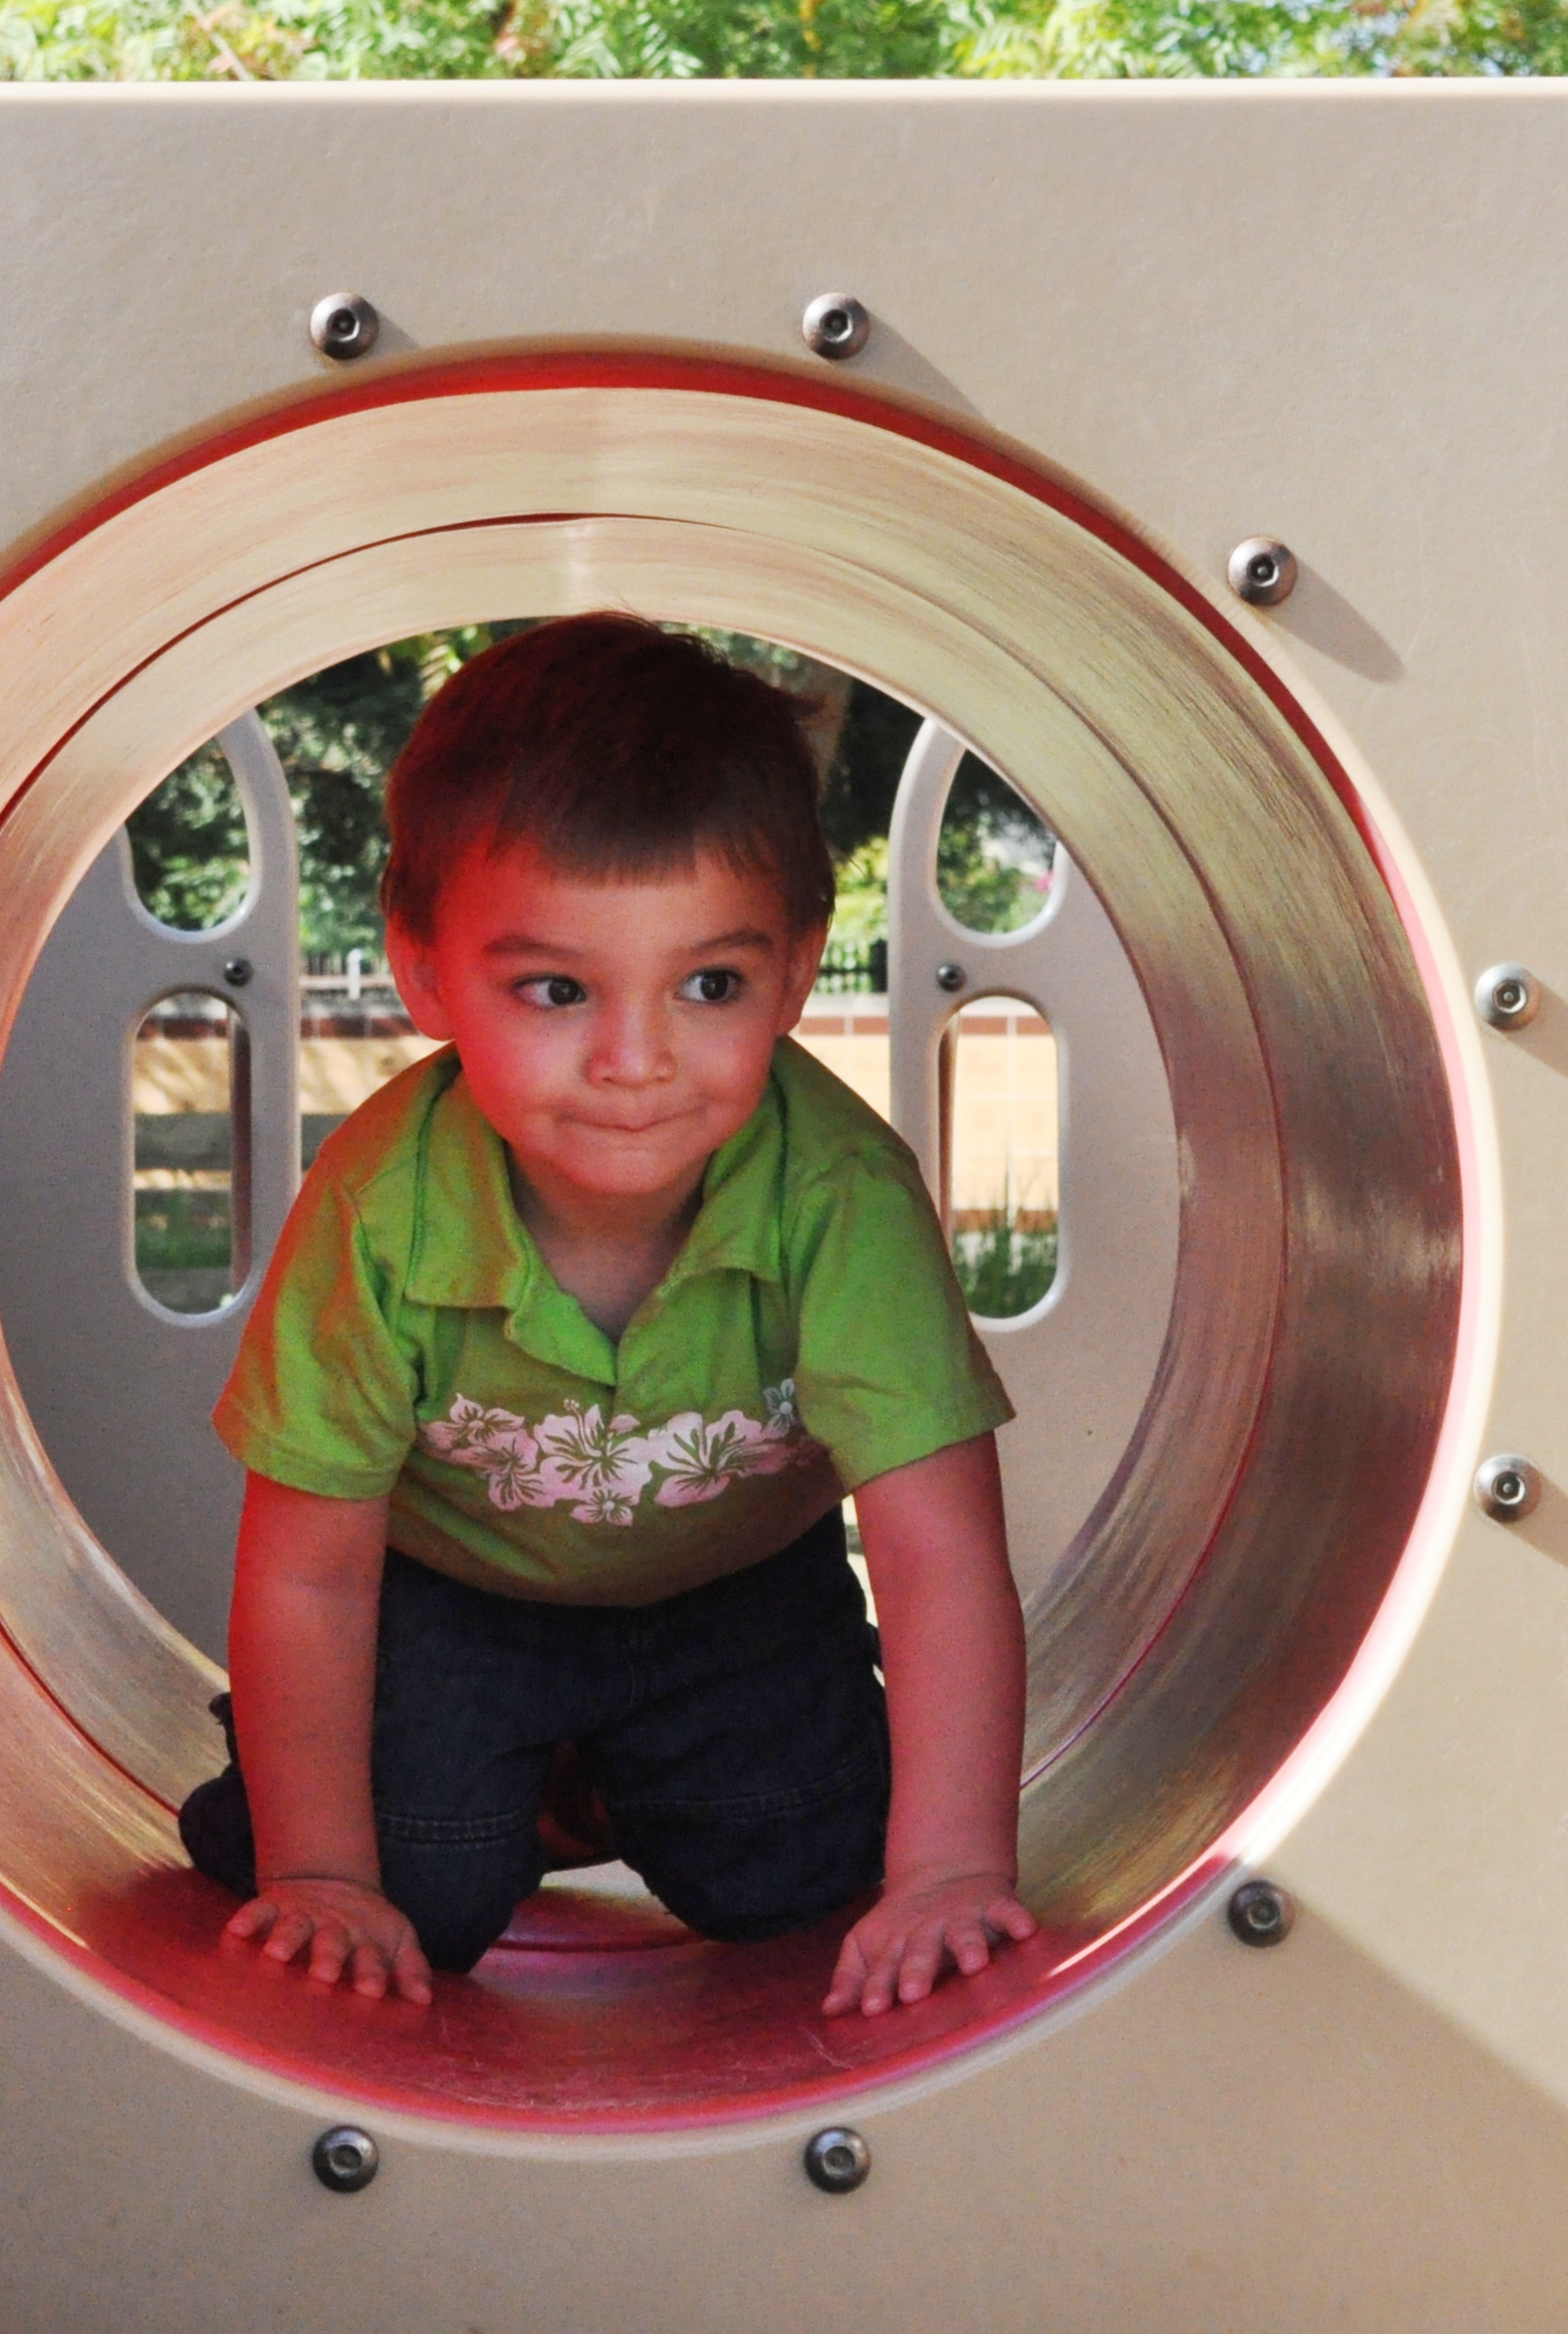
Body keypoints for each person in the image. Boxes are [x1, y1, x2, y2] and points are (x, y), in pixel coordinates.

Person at [178, 614, 1033, 2019]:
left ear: (797, 968)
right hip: (454, 1596)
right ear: (424, 969)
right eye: (557, 988)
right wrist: (319, 1867)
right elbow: (311, 1572)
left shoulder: (838, 1195)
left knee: (807, 1869)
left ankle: (590, 1777)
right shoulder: (383, 1207)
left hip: (737, 1588)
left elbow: (938, 1554)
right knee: (415, 1896)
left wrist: (948, 1868)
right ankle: (458, 1779)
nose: (637, 1060)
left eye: (710, 984)